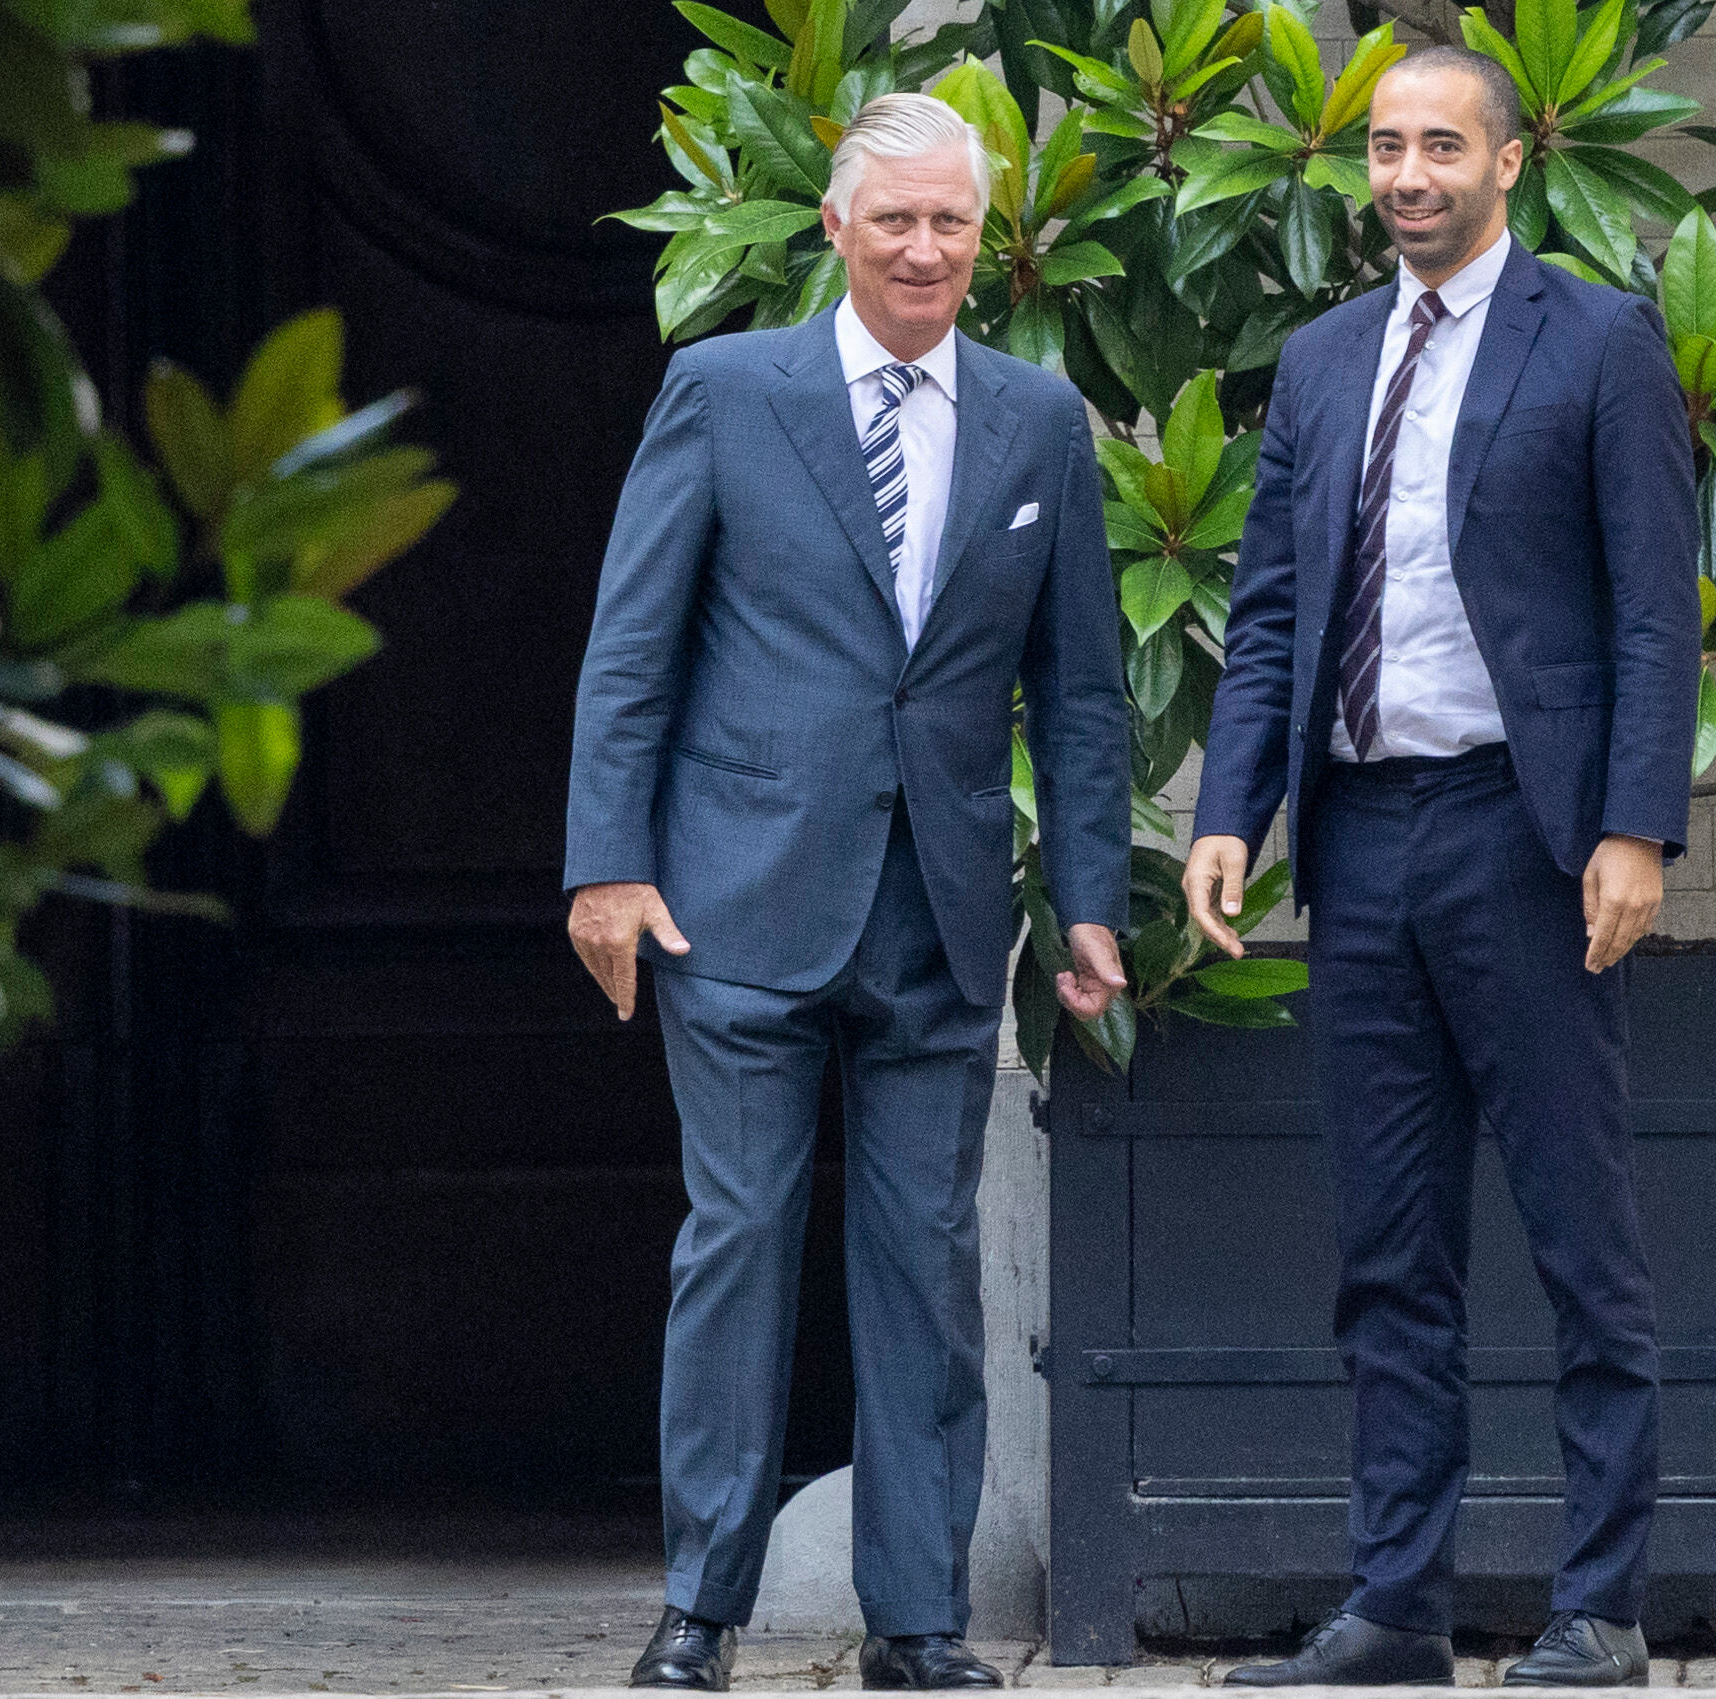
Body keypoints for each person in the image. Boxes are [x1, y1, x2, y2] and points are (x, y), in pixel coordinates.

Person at [563, 92, 1130, 1693]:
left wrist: (1090, 896)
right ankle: (701, 1610)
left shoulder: (1038, 420)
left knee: (923, 1267)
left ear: (984, 238)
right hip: (734, 896)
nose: (924, 249)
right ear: (834, 228)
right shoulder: (726, 391)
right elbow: (632, 644)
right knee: (739, 1243)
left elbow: (1081, 692)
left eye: (951, 221)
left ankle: (920, 1624)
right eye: (895, 220)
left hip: (938, 911)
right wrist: (606, 865)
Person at [1182, 45, 1699, 1690]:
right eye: (1387, 149)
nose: (1409, 176)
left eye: (1441, 147)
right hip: (1360, 838)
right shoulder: (1323, 358)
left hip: (1521, 838)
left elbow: (1654, 609)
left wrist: (1635, 827)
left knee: (1581, 1243)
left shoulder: (1599, 341)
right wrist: (1227, 811)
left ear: (1507, 161)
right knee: (1388, 1250)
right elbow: (1274, 611)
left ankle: (1601, 1607)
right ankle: (1397, 1604)